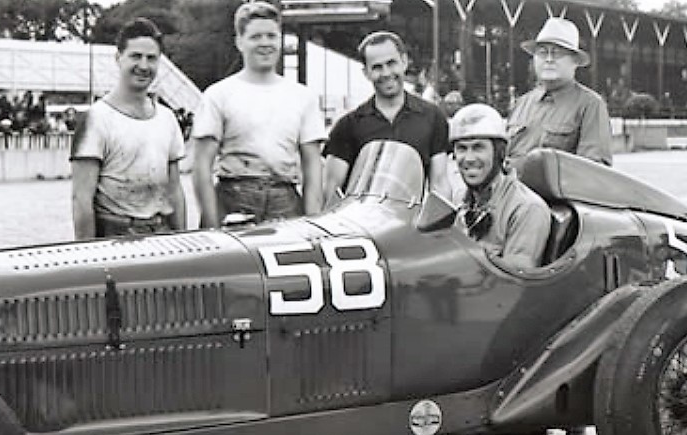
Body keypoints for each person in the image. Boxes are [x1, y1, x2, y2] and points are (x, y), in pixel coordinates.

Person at [191, 1, 326, 227]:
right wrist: (211, 224)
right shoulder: (218, 94)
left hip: (286, 201)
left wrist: (313, 224)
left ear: (280, 39)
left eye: (271, 36)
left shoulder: (303, 97)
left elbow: (312, 167)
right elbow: (202, 166)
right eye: (255, 37)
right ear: (239, 42)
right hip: (233, 199)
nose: (265, 43)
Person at [70, 17, 187, 240]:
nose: (143, 66)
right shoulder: (96, 118)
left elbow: (175, 191)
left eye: (151, 58)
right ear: (118, 58)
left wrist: (183, 241)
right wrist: (88, 252)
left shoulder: (167, 118)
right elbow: (81, 199)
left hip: (162, 233)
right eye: (135, 56)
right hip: (114, 237)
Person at [322, 31, 453, 209]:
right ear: (366, 72)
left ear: (404, 62)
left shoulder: (433, 117)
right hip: (361, 220)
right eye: (377, 67)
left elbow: (439, 184)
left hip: (410, 220)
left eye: (391, 63)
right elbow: (331, 192)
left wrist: (439, 221)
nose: (386, 73)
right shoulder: (347, 126)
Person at [450, 104, 549, 270]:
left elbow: (515, 277)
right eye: (462, 148)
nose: (469, 158)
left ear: (499, 153)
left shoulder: (526, 208)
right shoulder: (460, 199)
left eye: (478, 147)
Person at [506, 17, 612, 169]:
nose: (549, 59)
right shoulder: (521, 104)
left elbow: (593, 170)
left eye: (557, 53)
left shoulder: (590, 105)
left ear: (575, 61)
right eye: (542, 52)